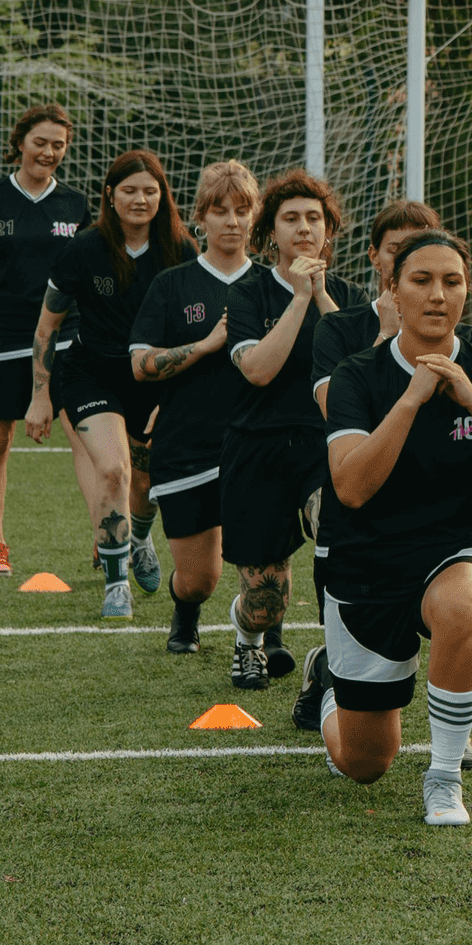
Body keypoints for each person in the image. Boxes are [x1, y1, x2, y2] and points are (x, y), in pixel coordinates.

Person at [299, 230, 472, 827]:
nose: (438, 295)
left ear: (466, 294)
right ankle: (332, 683)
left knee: (460, 607)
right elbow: (352, 486)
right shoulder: (358, 376)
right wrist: (410, 399)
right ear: (393, 290)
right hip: (366, 565)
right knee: (364, 762)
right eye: (421, 280)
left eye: (452, 281)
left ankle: (443, 776)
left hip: (455, 550)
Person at [126, 160, 277, 661]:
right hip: (187, 445)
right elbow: (141, 364)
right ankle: (185, 611)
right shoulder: (173, 285)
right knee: (200, 580)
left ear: (256, 218)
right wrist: (209, 343)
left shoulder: (278, 287)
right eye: (220, 210)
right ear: (200, 218)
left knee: (264, 569)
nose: (232, 221)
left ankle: (264, 631)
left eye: (242, 210)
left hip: (258, 446)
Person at [216, 168, 360, 687]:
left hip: (327, 446)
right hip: (258, 446)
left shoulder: (345, 296)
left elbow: (360, 369)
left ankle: (336, 656)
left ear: (328, 230)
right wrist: (299, 297)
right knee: (265, 599)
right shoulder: (248, 293)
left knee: (341, 540)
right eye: (291, 218)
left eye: (314, 218)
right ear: (270, 232)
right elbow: (257, 369)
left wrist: (320, 295)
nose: (304, 228)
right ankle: (248, 638)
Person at [31, 149, 185, 619]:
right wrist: (40, 394)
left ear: (162, 196)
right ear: (110, 196)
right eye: (130, 190)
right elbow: (46, 327)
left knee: (146, 480)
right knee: (115, 470)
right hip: (91, 373)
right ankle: (117, 584)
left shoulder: (180, 250)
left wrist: (179, 394)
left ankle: (139, 538)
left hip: (156, 379)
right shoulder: (83, 248)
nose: (140, 199)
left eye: (150, 190)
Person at [0, 104, 88, 578]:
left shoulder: (76, 204)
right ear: (21, 143)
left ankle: (104, 538)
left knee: (85, 435)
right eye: (40, 142)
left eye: (58, 145)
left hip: (65, 343)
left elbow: (88, 276)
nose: (48, 153)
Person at [314, 200, 440, 353]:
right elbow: (343, 378)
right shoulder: (336, 327)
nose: (407, 261)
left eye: (417, 251)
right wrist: (385, 334)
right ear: (374, 256)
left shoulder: (462, 335)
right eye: (395, 251)